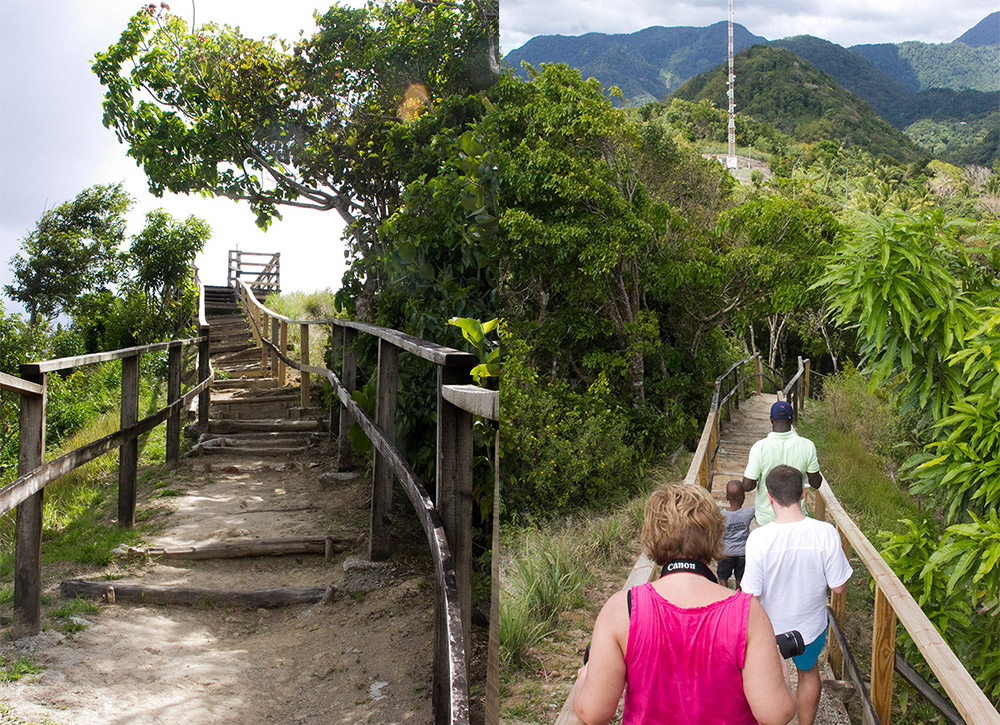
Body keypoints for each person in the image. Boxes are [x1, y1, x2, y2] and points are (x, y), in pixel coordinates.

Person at [572, 484, 796, 725]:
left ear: (652, 535)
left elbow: (593, 713)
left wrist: (585, 675)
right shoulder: (747, 613)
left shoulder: (621, 609)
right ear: (715, 535)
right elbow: (776, 714)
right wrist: (781, 671)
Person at [742, 465, 853, 725]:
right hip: (810, 627)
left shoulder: (759, 539)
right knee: (809, 671)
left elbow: (750, 595)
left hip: (769, 630)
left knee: (772, 678)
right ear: (803, 494)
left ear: (769, 498)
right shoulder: (826, 533)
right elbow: (838, 587)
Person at [742, 399, 822, 526]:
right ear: (792, 420)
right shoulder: (807, 446)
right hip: (796, 519)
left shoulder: (760, 447)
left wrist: (756, 482)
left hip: (766, 519)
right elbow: (816, 483)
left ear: (771, 419)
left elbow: (747, 486)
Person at [719, 479, 756, 588]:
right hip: (742, 553)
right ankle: (738, 595)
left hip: (726, 552)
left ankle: (724, 595)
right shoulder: (748, 513)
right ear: (744, 497)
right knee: (740, 577)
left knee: (722, 576)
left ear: (727, 497)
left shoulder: (721, 516)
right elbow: (758, 506)